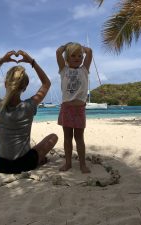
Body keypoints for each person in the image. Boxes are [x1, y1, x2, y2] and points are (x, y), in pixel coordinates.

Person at [0, 50, 58, 174]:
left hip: (1, 165)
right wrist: (32, 62)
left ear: (5, 84)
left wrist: (1, 61)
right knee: (53, 137)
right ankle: (39, 160)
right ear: (25, 87)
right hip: (25, 163)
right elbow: (46, 83)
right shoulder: (29, 106)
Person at [56, 42, 92, 173]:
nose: (77, 58)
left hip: (79, 109)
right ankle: (68, 163)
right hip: (67, 109)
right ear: (67, 58)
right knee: (67, 138)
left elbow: (90, 52)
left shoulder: (84, 70)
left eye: (80, 56)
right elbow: (57, 52)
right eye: (73, 55)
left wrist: (82, 49)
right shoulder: (63, 69)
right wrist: (66, 46)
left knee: (79, 138)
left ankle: (83, 164)